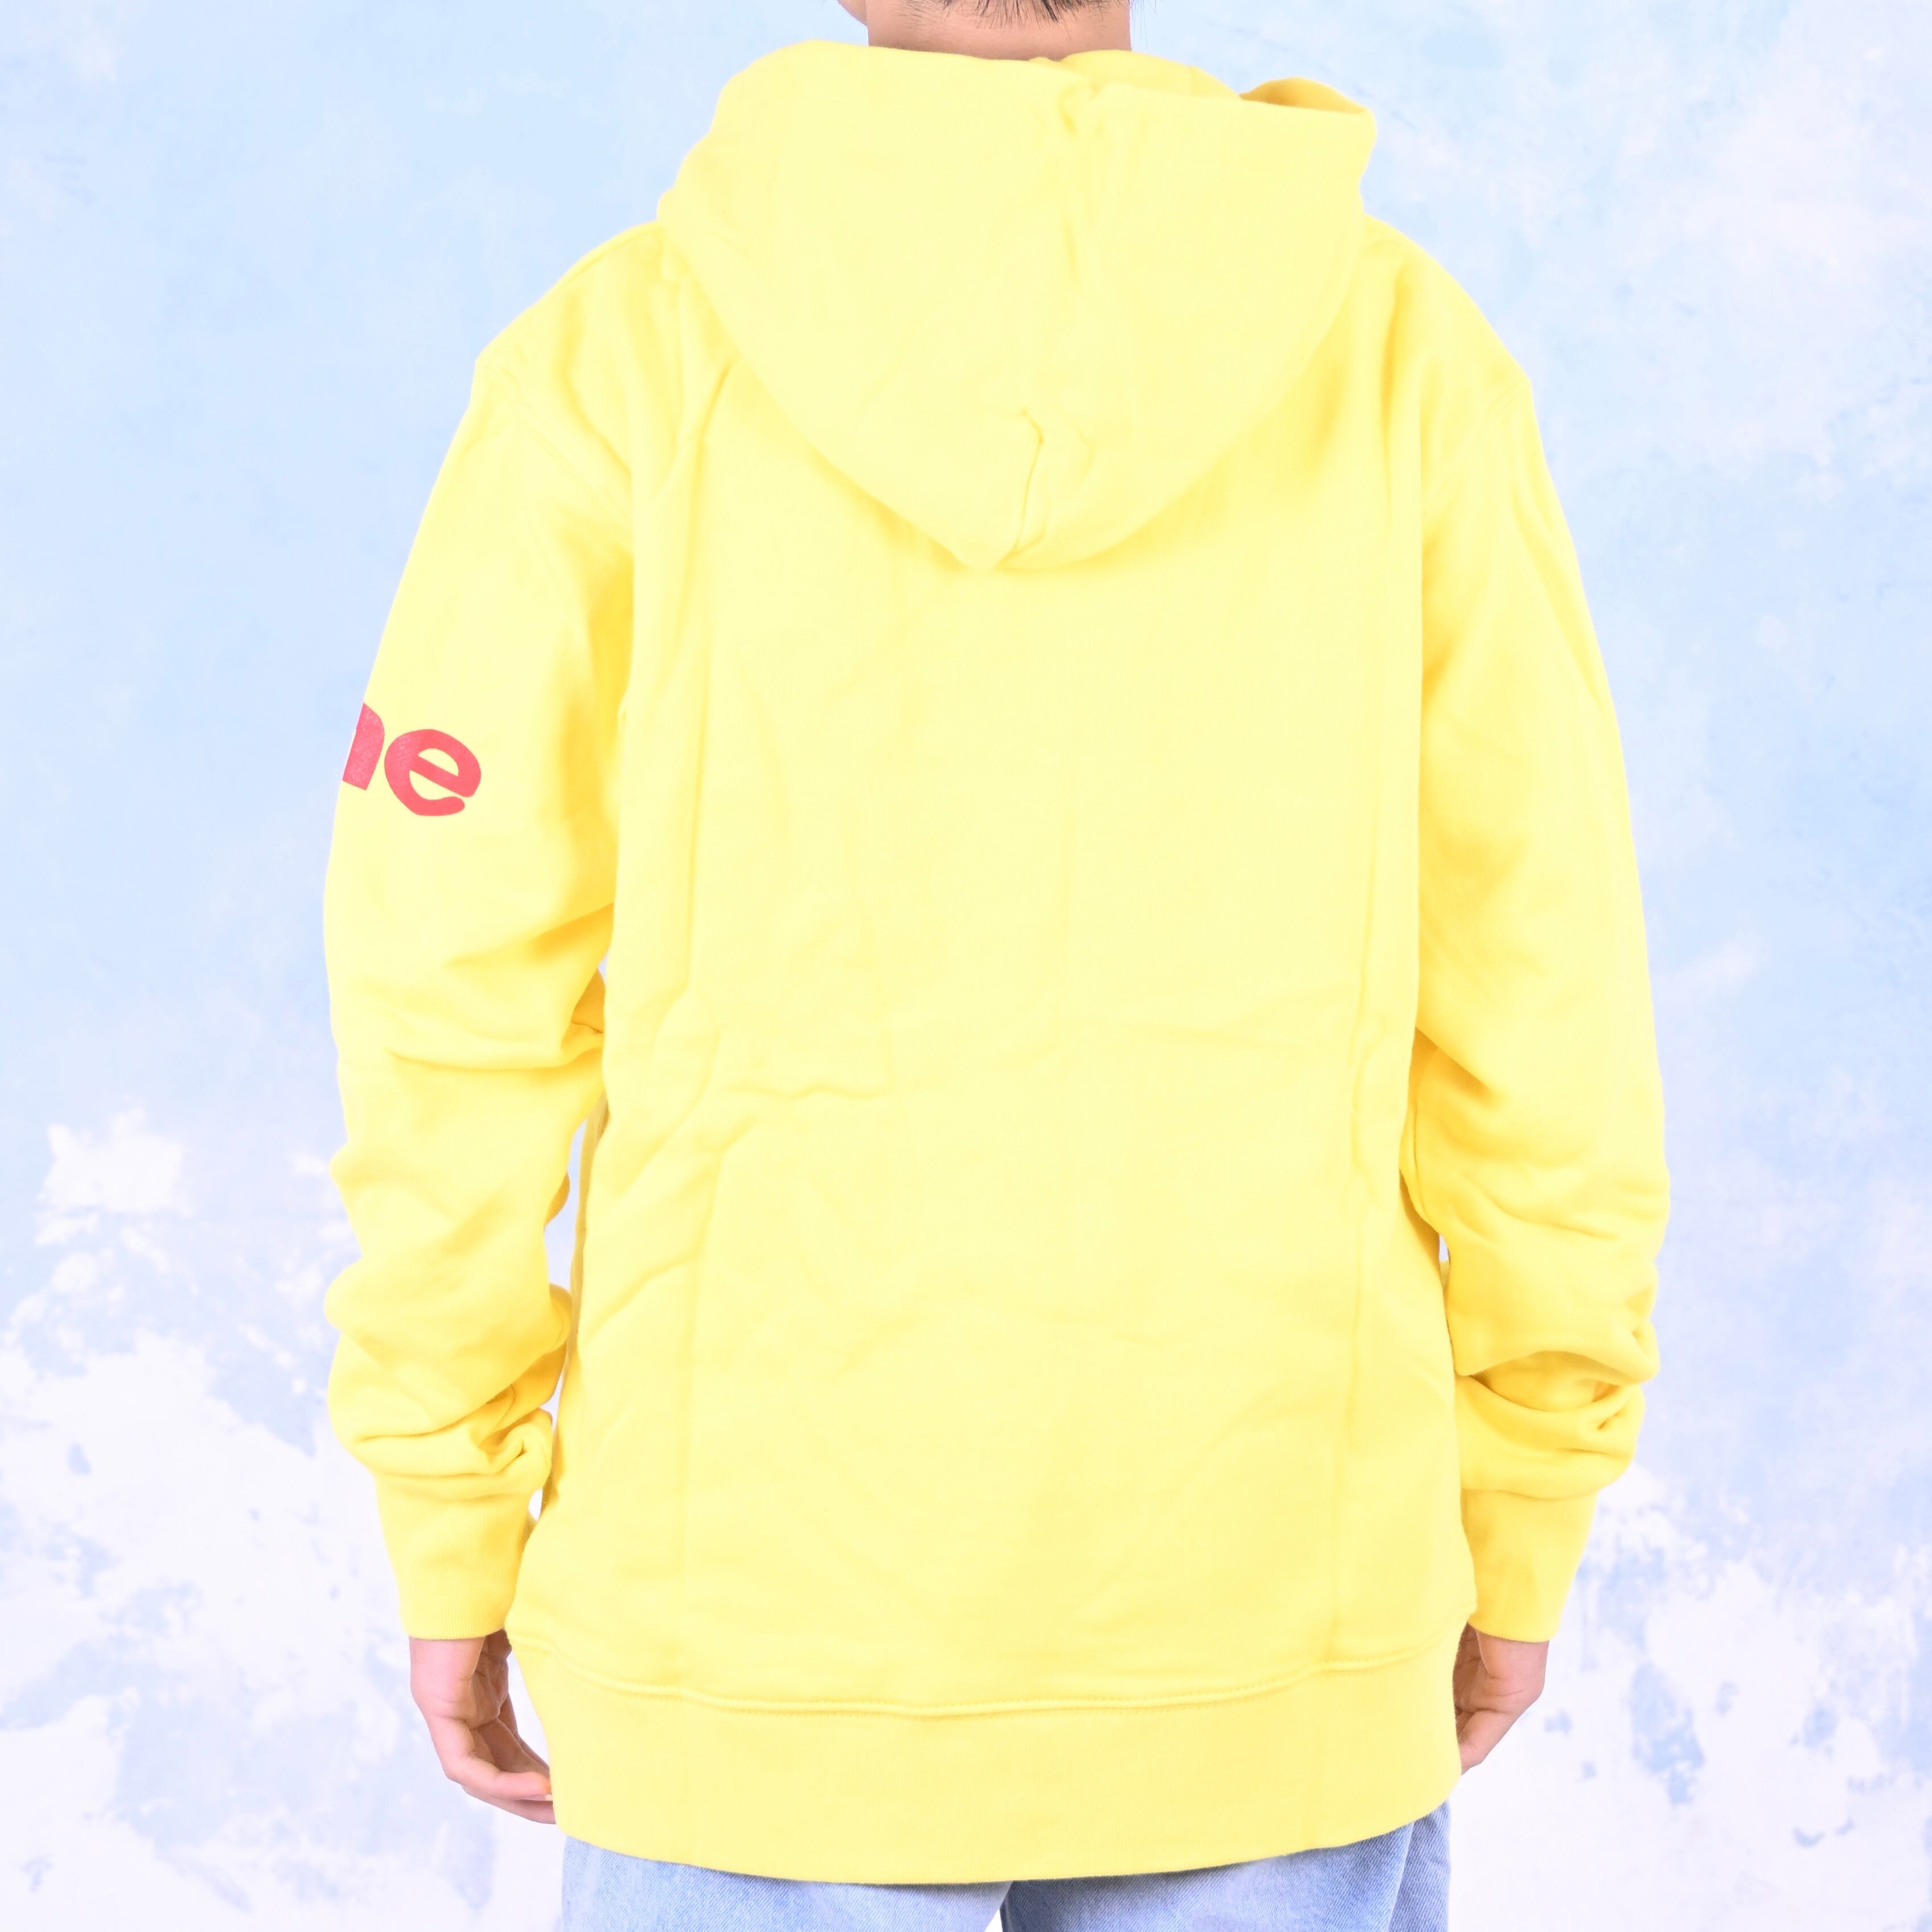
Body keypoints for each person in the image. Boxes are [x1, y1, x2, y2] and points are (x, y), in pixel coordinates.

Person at [321, 0, 1670, 1925]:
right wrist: (1526, 1498)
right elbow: (1543, 978)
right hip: (1269, 1596)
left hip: (750, 1619)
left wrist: (450, 1508)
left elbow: (446, 992)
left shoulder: (615, 356)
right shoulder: (1397, 352)